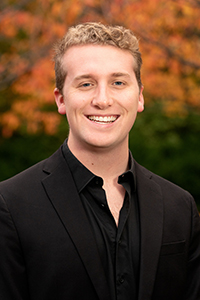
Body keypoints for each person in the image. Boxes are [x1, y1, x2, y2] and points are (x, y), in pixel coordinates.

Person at [0, 22, 200, 300]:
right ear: (61, 99)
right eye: (86, 84)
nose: (103, 100)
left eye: (118, 82)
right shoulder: (10, 205)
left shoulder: (179, 206)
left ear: (140, 96)